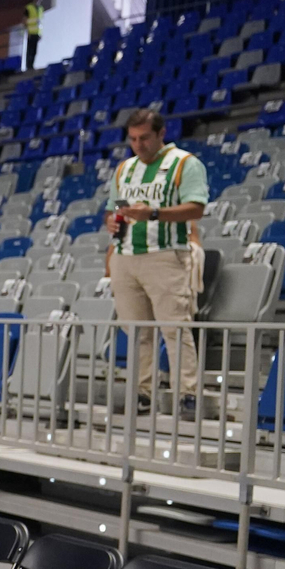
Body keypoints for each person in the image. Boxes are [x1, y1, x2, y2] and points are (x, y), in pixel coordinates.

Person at [103, 108, 209, 418]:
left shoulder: (185, 164)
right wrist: (110, 222)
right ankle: (142, 394)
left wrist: (152, 213)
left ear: (161, 134)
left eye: (145, 138)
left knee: (175, 328)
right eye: (133, 139)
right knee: (136, 332)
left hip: (165, 255)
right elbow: (111, 210)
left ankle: (187, 395)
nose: (138, 144)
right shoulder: (123, 169)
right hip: (125, 256)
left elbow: (196, 208)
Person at [25, 0, 44, 71]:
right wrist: (27, 32)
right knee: (30, 50)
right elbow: (25, 20)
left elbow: (40, 22)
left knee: (35, 51)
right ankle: (28, 66)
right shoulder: (29, 8)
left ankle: (32, 65)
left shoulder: (41, 8)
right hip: (30, 33)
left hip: (37, 33)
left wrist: (40, 33)